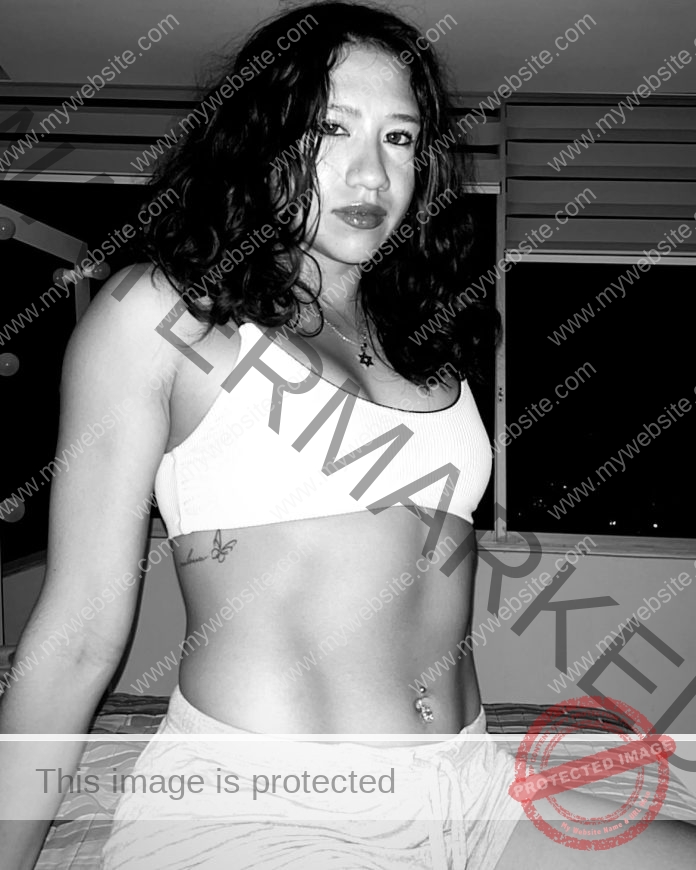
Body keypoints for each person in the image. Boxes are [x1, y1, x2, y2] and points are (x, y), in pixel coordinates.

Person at [1, 2, 694, 869]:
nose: (371, 173)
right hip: (268, 804)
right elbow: (77, 635)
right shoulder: (165, 313)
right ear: (261, 141)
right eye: (331, 129)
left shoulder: (419, 343)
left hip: (466, 786)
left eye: (399, 138)